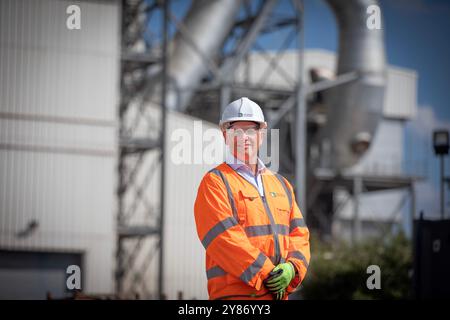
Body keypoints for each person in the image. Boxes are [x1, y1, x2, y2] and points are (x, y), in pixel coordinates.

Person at [194, 97, 310, 300]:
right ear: (225, 135)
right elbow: (224, 239)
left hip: (278, 296)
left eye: (250, 130)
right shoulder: (215, 182)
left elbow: (299, 234)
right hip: (235, 297)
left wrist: (293, 268)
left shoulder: (281, 184)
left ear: (262, 134)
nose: (244, 137)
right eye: (236, 131)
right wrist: (267, 272)